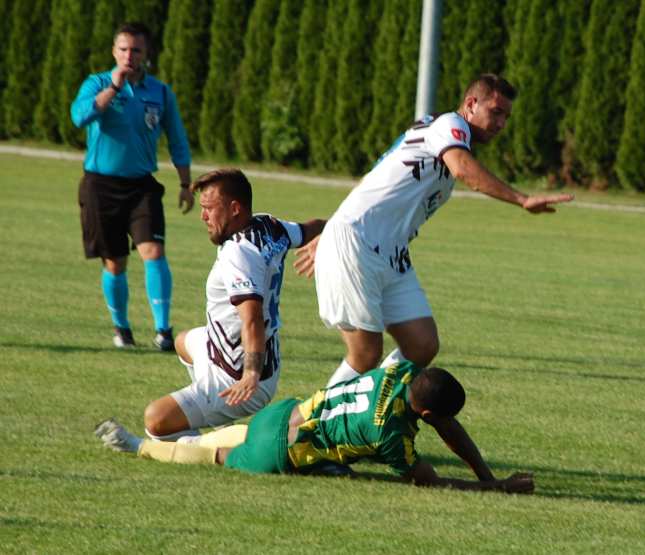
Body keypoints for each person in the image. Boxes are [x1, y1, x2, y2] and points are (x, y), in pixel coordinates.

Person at [293, 74, 573, 482]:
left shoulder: (434, 132)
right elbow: (462, 170)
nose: (500, 123)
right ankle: (314, 437)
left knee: (422, 344)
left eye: (506, 117)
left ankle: (377, 410)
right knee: (364, 355)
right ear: (470, 103)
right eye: (495, 112)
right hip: (358, 245)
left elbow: (378, 176)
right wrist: (521, 198)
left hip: (388, 254)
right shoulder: (449, 126)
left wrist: (333, 225)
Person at [96, 361, 535, 494]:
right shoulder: (391, 437)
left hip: (284, 413)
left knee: (229, 438)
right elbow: (433, 483)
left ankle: (158, 439)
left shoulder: (402, 373)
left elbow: (446, 425)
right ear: (425, 416)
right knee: (216, 456)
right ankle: (139, 446)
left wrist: (488, 472)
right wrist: (499, 487)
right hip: (280, 452)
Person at [141, 168, 326, 442]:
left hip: (237, 374)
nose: (203, 216)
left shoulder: (238, 254)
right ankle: (214, 414)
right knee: (183, 342)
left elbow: (250, 319)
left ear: (235, 208)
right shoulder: (267, 225)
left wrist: (249, 375)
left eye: (209, 209)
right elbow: (314, 228)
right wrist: (332, 233)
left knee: (155, 420)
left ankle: (212, 441)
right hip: (247, 359)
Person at [70, 22, 193, 351]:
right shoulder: (97, 83)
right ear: (114, 51)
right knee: (115, 261)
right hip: (101, 185)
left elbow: (177, 140)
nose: (129, 55)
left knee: (153, 251)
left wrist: (185, 182)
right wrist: (112, 88)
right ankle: (122, 328)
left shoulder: (160, 92)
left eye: (136, 50)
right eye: (123, 49)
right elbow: (78, 117)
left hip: (142, 187)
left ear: (146, 53)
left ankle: (164, 331)